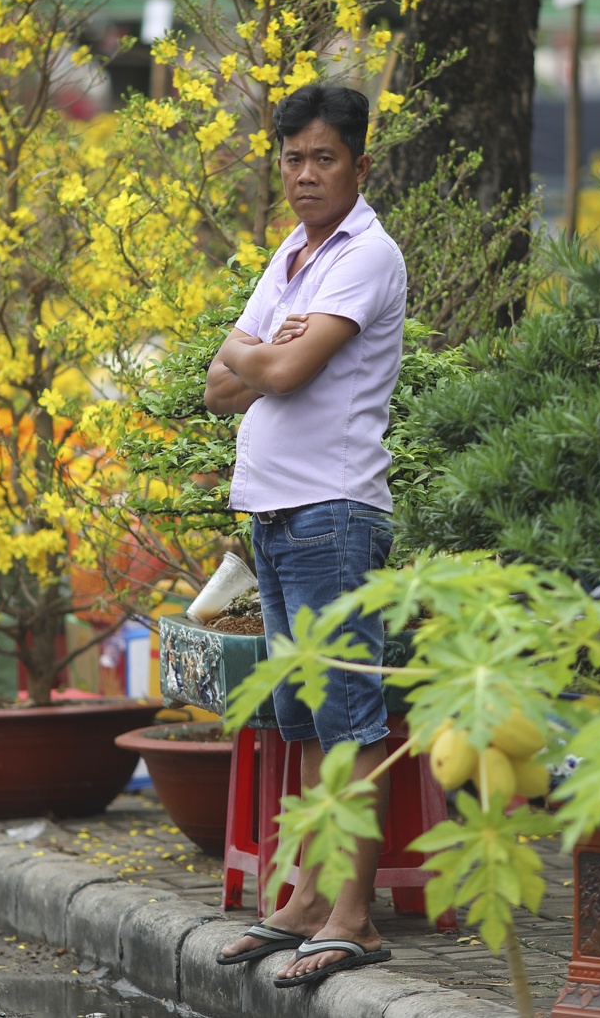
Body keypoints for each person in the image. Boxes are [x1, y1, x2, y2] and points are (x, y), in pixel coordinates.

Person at [205, 83, 407, 987]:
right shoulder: (291, 253)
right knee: (303, 721)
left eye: (324, 158)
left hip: (334, 512)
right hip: (277, 514)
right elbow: (220, 385)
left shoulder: (368, 255)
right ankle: (308, 900)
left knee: (350, 716)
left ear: (360, 166)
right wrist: (258, 355)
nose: (305, 174)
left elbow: (274, 368)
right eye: (292, 159)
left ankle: (355, 917)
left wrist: (259, 354)